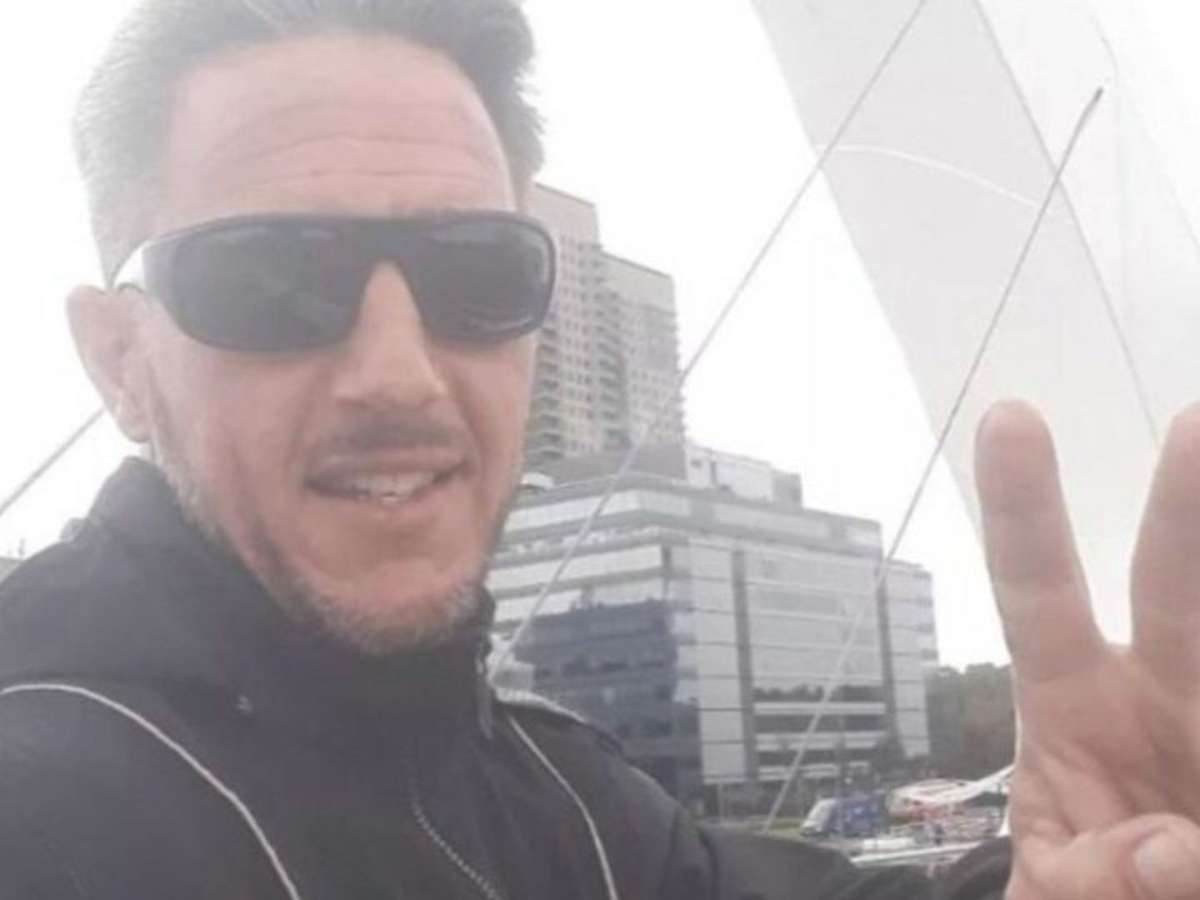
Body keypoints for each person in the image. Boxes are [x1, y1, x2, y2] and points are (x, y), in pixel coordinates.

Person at [1, 1, 1199, 898]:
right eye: (271, 278)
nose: (398, 374)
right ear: (118, 359)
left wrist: (1095, 860)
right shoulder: (46, 801)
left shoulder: (560, 802)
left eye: (477, 272)